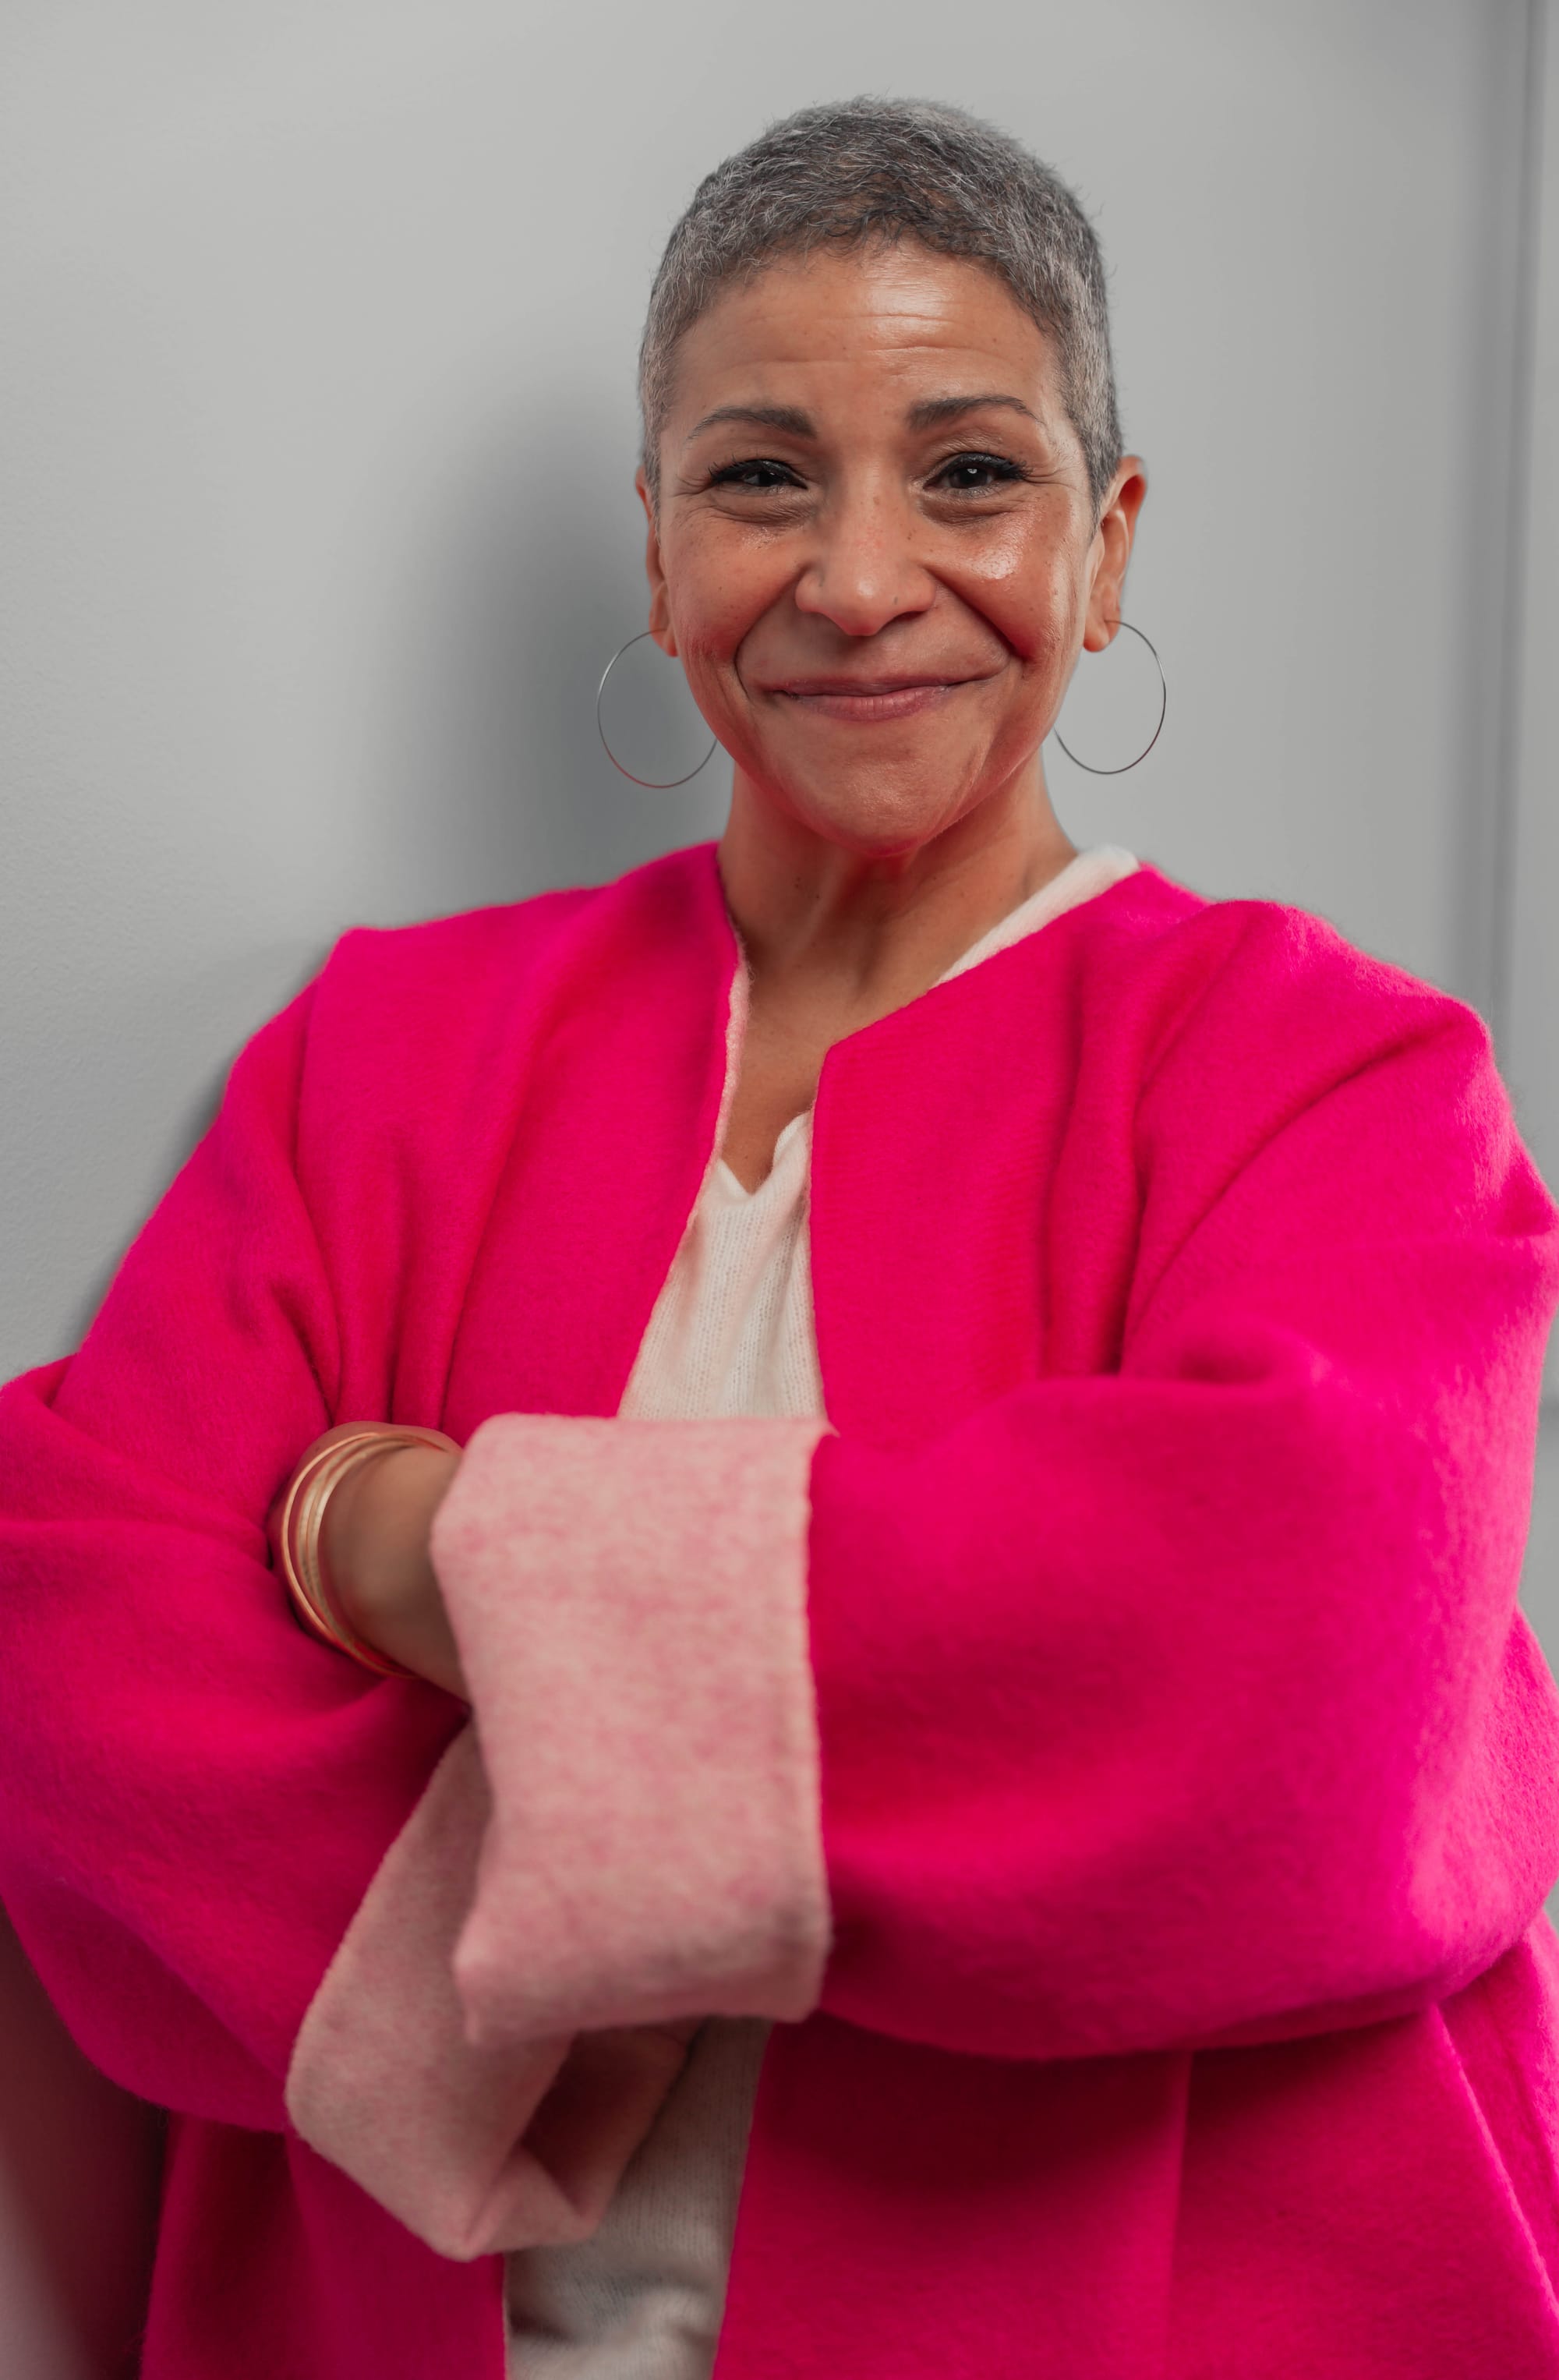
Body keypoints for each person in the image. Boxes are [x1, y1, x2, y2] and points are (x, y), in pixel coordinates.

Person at [1, 94, 1557, 2380]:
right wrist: (891, 1717)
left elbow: (1292, 1685)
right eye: (757, 477)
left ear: (1108, 545)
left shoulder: (1331, 1081)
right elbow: (70, 1634)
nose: (853, 575)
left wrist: (409, 1539)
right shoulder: (381, 1060)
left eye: (969, 472)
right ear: (654, 550)